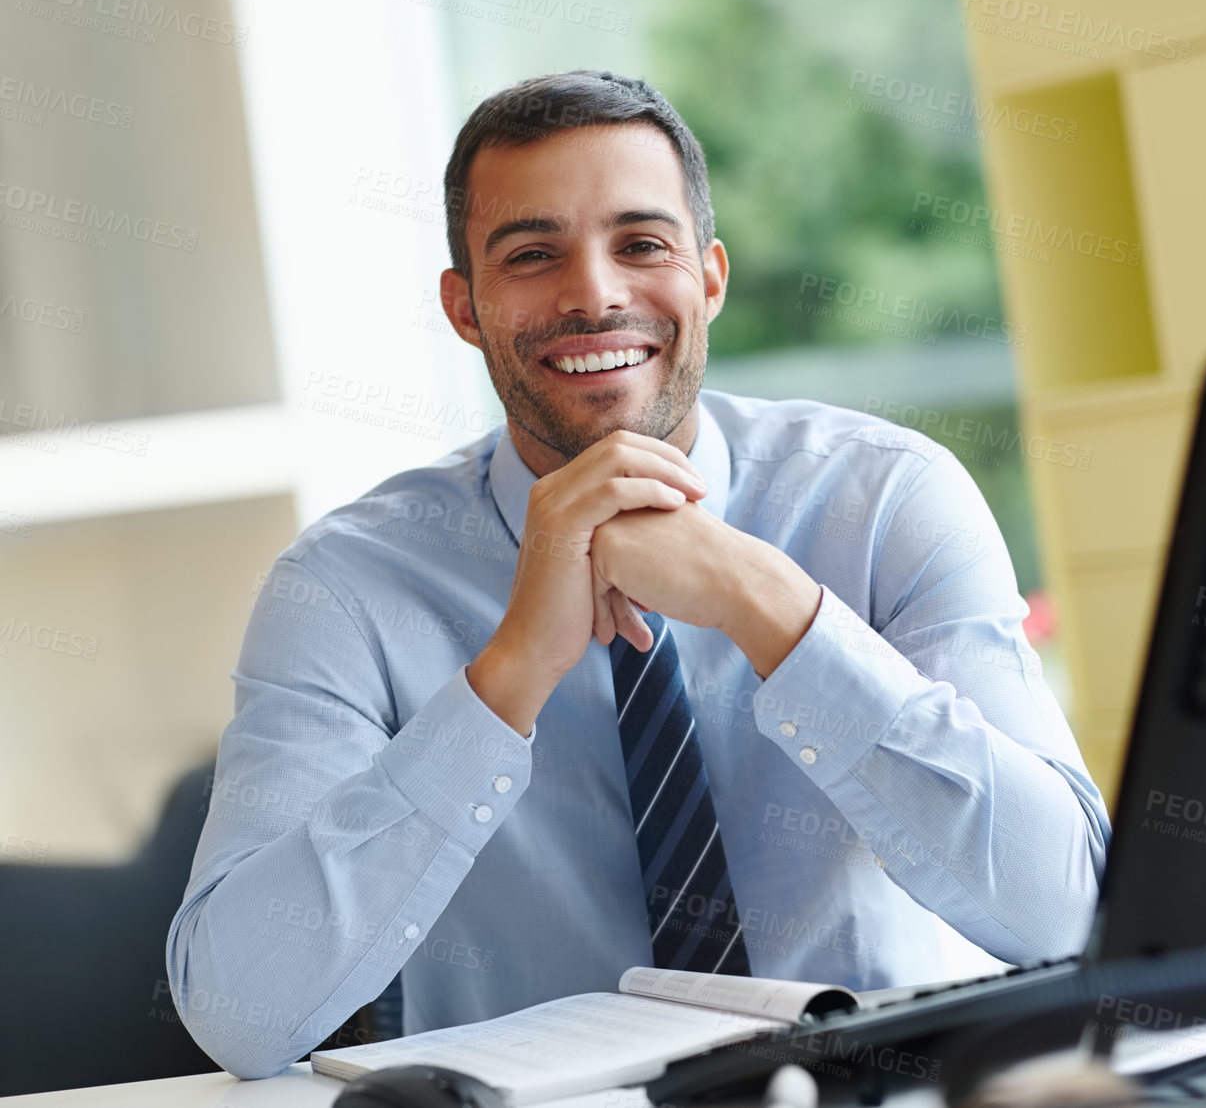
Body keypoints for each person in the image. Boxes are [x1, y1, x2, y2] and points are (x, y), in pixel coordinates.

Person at [166, 70, 1110, 1080]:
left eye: (640, 244)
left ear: (708, 275)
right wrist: (508, 674)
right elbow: (240, 1012)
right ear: (464, 306)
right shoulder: (347, 585)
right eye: (531, 254)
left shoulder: (882, 502)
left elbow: (1069, 913)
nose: (594, 293)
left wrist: (773, 609)